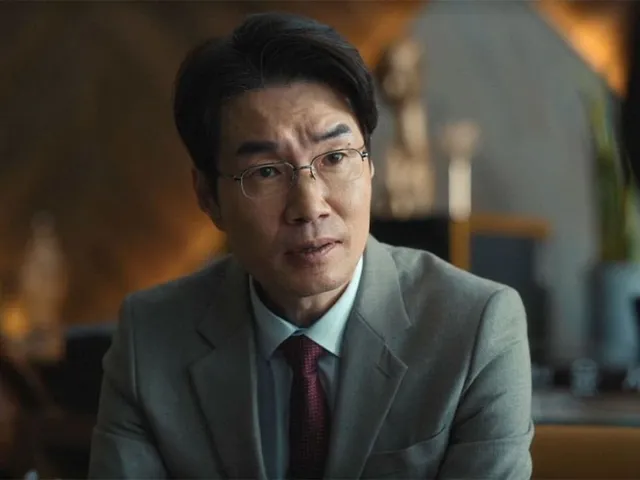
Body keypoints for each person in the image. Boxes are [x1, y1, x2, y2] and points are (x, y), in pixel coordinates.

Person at [88, 12, 533, 479]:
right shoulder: (151, 337)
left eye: (335, 157)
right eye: (265, 171)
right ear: (208, 197)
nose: (309, 206)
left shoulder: (476, 328)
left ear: (370, 165)